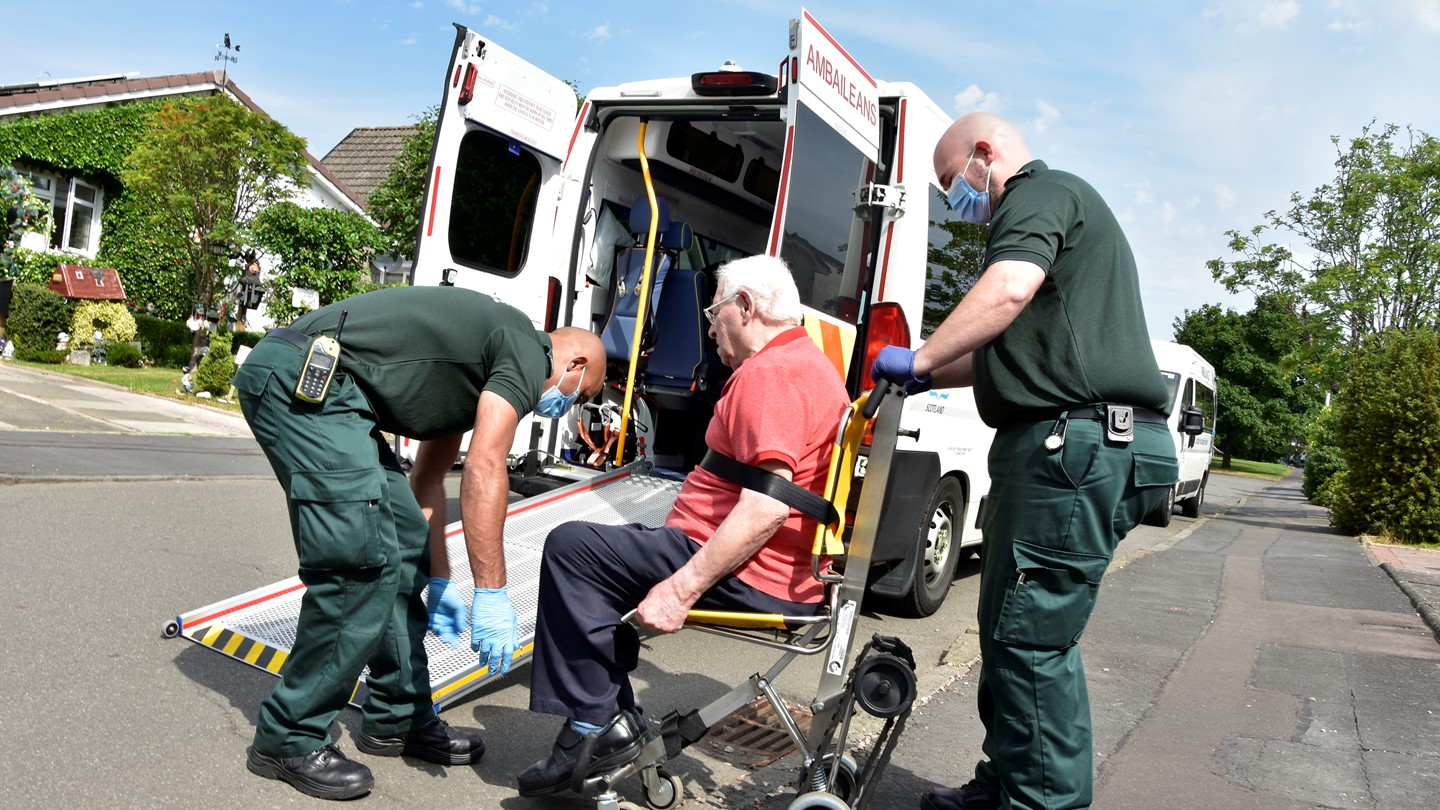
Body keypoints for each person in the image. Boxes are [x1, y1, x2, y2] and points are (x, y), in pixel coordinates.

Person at [872, 112, 1179, 810]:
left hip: (1074, 446)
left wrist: (920, 354)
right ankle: (1007, 782)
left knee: (1031, 639)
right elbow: (1003, 342)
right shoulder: (1060, 216)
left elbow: (1007, 289)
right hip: (1072, 445)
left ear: (984, 154)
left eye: (952, 183)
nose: (957, 200)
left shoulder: (1037, 194)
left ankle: (1042, 803)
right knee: (1009, 629)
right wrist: (927, 373)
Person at [233, 285, 605, 801]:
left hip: (338, 398)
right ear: (575, 363)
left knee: (399, 542)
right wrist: (491, 593)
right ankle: (288, 736)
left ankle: (396, 716)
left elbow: (429, 482)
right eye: (581, 395)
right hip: (305, 381)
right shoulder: (525, 347)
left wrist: (437, 576)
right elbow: (485, 465)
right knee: (357, 561)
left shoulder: (474, 374)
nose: (568, 406)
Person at [516, 254, 850, 798]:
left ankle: (593, 727)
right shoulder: (806, 364)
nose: (711, 324)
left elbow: (766, 507)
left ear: (745, 307)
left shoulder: (773, 375)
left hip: (752, 574)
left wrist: (681, 587)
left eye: (714, 310)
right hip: (768, 565)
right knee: (601, 560)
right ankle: (606, 722)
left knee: (572, 549)